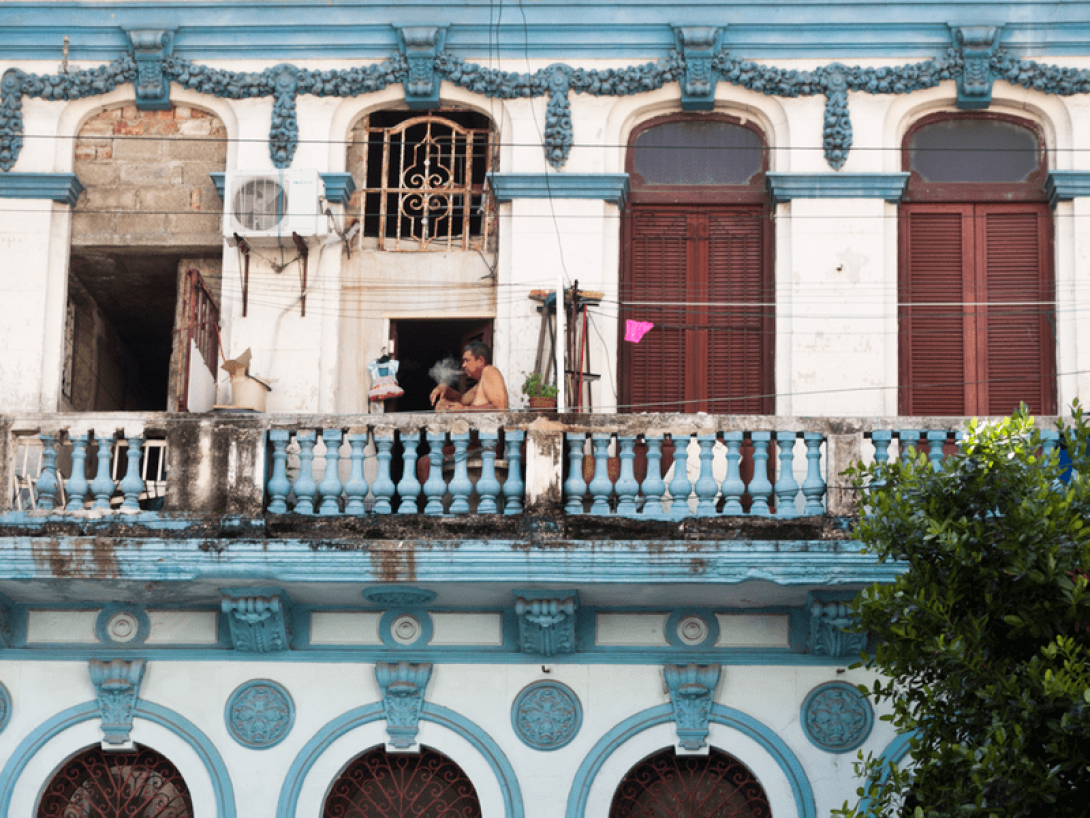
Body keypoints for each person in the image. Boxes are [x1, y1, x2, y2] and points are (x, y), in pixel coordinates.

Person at [430, 341, 509, 412]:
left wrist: (465, 409)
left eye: (467, 360)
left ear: (481, 360)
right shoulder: (479, 385)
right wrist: (447, 389)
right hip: (480, 427)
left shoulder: (489, 371)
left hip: (489, 428)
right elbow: (462, 400)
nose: (463, 365)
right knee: (442, 403)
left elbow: (501, 408)